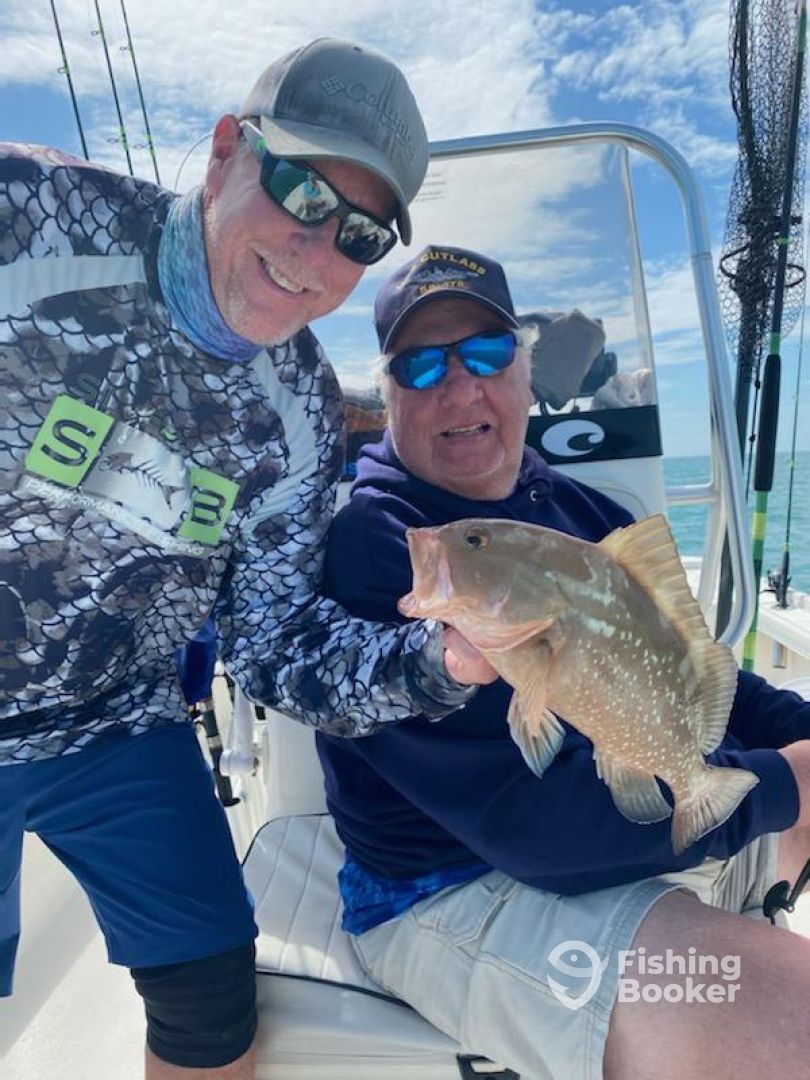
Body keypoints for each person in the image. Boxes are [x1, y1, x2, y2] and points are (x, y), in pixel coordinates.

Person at [0, 40, 488, 1080]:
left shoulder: (302, 407)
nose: (317, 248)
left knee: (215, 1010)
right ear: (226, 151)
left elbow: (272, 641)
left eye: (360, 233)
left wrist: (439, 662)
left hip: (118, 718)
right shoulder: (30, 219)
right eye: (303, 190)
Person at [318, 243, 810, 1080]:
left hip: (617, 825)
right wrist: (783, 783)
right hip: (449, 887)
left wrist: (797, 738)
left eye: (485, 353)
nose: (460, 388)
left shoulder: (582, 510)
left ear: (525, 372)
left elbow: (700, 674)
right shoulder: (382, 547)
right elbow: (533, 827)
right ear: (390, 392)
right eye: (421, 365)